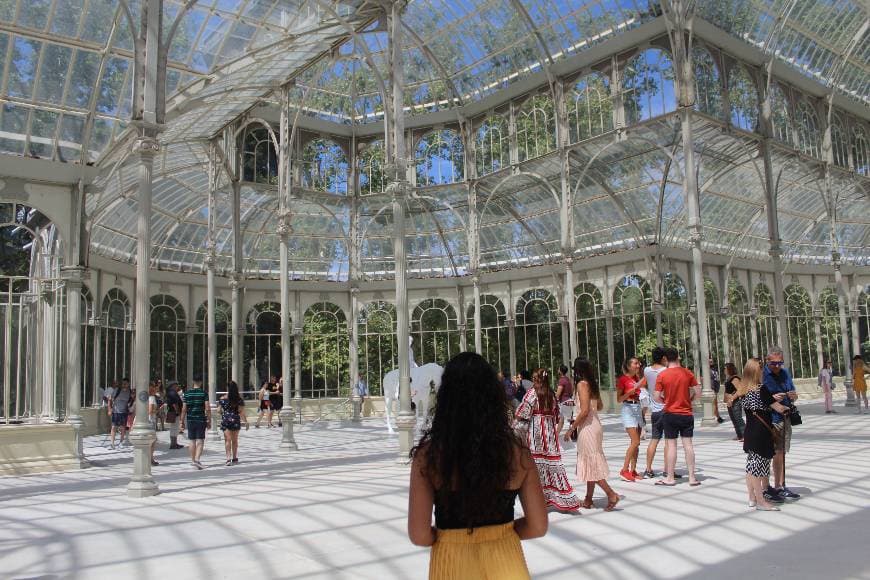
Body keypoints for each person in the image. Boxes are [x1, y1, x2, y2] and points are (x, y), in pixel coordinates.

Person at [408, 352, 548, 579]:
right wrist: (502, 533)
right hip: (506, 561)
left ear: (446, 399)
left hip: (453, 563)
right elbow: (538, 526)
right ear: (493, 396)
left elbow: (419, 535)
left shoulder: (429, 455)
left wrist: (449, 537)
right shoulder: (517, 451)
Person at [514, 368, 580, 511]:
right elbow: (557, 416)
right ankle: (558, 498)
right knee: (551, 463)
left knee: (537, 465)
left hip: (536, 432)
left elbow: (521, 413)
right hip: (549, 433)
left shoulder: (532, 393)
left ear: (535, 379)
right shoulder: (551, 394)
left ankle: (538, 499)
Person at [566, 358, 619, 511]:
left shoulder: (582, 384)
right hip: (595, 425)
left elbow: (584, 411)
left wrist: (571, 428)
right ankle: (588, 499)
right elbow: (599, 406)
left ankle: (611, 494)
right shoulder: (592, 384)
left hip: (587, 427)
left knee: (590, 462)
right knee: (591, 462)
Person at [738, 358, 786, 511]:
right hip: (762, 432)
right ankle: (761, 500)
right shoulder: (761, 389)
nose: (764, 372)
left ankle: (752, 498)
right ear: (756, 372)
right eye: (761, 369)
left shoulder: (743, 391)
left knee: (752, 466)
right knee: (760, 467)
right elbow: (778, 408)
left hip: (750, 430)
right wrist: (787, 406)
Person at [654, 348, 701, 487]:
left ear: (665, 359)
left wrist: (665, 401)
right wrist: (690, 399)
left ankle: (670, 477)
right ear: (678, 357)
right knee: (688, 445)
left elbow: (656, 396)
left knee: (671, 445)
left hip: (670, 414)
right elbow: (698, 391)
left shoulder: (662, 375)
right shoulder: (687, 373)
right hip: (686, 413)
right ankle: (692, 478)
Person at [762, 346, 799, 502]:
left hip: (784, 418)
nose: (777, 366)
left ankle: (780, 485)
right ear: (767, 360)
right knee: (768, 454)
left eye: (780, 363)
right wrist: (772, 398)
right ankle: (766, 487)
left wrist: (793, 396)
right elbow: (756, 397)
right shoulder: (762, 375)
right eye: (774, 363)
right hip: (769, 420)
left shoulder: (785, 373)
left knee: (781, 453)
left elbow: (794, 395)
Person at [616, 357, 645, 482]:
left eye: (638, 363)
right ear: (628, 366)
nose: (638, 365)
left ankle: (633, 470)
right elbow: (619, 399)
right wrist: (630, 392)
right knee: (635, 441)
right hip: (628, 408)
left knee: (636, 444)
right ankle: (624, 469)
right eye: (635, 363)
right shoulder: (623, 379)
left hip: (637, 407)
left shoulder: (637, 379)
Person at [642, 347, 668, 478]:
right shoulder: (666, 371)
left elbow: (643, 383)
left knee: (654, 439)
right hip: (667, 409)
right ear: (664, 358)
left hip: (655, 411)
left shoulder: (647, 370)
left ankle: (648, 469)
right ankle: (667, 470)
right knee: (669, 441)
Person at [180, 378, 210, 469]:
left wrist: (182, 421)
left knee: (191, 440)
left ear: (193, 382)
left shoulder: (187, 394)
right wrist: (208, 420)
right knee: (200, 440)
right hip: (200, 419)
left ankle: (193, 460)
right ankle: (197, 460)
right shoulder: (204, 393)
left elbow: (184, 409)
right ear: (201, 382)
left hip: (190, 420)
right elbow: (207, 408)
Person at [219, 381, 247, 466]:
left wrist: (224, 414)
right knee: (235, 440)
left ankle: (228, 458)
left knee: (227, 440)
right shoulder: (239, 399)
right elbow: (240, 412)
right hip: (235, 420)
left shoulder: (223, 398)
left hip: (226, 420)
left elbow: (218, 410)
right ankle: (234, 457)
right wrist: (246, 422)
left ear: (228, 388)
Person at [107, 378, 132, 450]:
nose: (123, 385)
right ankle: (112, 443)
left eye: (125, 383)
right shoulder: (117, 390)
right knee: (114, 427)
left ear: (128, 384)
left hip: (124, 412)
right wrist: (109, 409)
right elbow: (110, 399)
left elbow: (131, 400)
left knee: (123, 428)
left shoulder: (129, 391)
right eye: (123, 383)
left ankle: (121, 442)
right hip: (116, 411)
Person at [723, 362, 746, 440]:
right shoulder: (729, 378)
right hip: (730, 402)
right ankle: (739, 435)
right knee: (733, 418)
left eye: (725, 368)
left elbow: (740, 390)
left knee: (738, 418)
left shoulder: (735, 378)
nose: (724, 370)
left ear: (729, 369)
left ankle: (745, 435)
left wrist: (732, 398)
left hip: (735, 401)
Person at [555, 365, 574, 436]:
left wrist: (555, 397)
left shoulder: (561, 380)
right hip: (570, 400)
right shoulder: (568, 380)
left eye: (558, 369)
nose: (557, 370)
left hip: (564, 401)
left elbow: (558, 393)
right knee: (570, 419)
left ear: (560, 371)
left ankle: (556, 435)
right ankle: (574, 433)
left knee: (561, 420)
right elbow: (571, 391)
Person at [165, 382, 184, 449]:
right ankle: (173, 444)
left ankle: (174, 443)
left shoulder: (171, 392)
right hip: (174, 413)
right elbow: (175, 403)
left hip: (172, 412)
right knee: (174, 428)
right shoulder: (172, 393)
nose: (177, 386)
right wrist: (177, 411)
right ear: (173, 385)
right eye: (176, 385)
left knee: (174, 428)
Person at [147, 382, 160, 466]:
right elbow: (150, 411)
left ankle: (148, 458)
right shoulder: (151, 398)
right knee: (152, 440)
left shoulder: (144, 398)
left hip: (145, 420)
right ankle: (150, 458)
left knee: (149, 440)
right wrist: (158, 410)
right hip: (150, 420)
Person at [710, 358, 725, 424]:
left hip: (716, 389)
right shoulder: (707, 371)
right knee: (714, 404)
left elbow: (717, 379)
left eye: (712, 361)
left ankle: (717, 416)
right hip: (712, 389)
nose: (711, 362)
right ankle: (718, 417)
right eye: (710, 361)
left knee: (715, 404)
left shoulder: (715, 370)